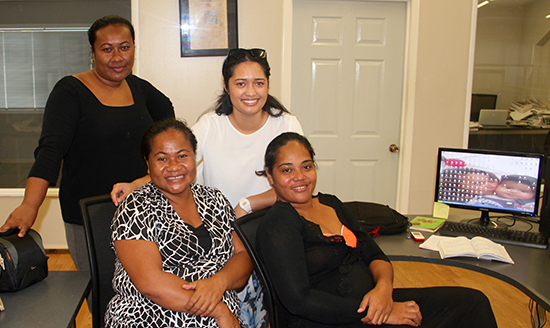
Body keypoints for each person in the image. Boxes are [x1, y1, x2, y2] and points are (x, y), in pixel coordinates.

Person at [110, 48, 303, 327]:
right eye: (240, 83)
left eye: (258, 82)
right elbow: (175, 157)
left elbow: (296, 183)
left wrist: (218, 284)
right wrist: (135, 185)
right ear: (226, 86)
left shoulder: (284, 126)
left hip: (264, 227)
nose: (250, 91)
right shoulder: (211, 125)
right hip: (158, 314)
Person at [255, 132, 498, 327]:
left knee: (472, 302)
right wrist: (380, 313)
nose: (300, 177)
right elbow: (299, 301)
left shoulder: (331, 203)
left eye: (306, 166)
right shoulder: (278, 225)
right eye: (287, 170)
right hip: (331, 318)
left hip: (372, 303)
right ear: (270, 176)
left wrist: (384, 290)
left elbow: (375, 256)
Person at [0, 15, 175, 273]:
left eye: (124, 47)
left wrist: (155, 170)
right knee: (102, 294)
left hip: (140, 210)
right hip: (90, 215)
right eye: (107, 49)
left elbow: (169, 129)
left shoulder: (140, 89)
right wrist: (30, 205)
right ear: (92, 52)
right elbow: (50, 152)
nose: (117, 57)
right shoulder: (70, 91)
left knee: (145, 290)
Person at [106, 118, 252, 328]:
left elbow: (242, 256)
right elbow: (151, 284)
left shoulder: (215, 199)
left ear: (195, 158)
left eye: (182, 156)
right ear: (148, 165)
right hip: (148, 317)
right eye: (162, 159)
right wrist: (219, 311)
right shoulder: (135, 207)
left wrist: (218, 283)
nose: (174, 167)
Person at [470, 174, 537, 211]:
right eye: (507, 187)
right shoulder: (485, 197)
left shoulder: (530, 204)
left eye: (524, 191)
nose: (513, 192)